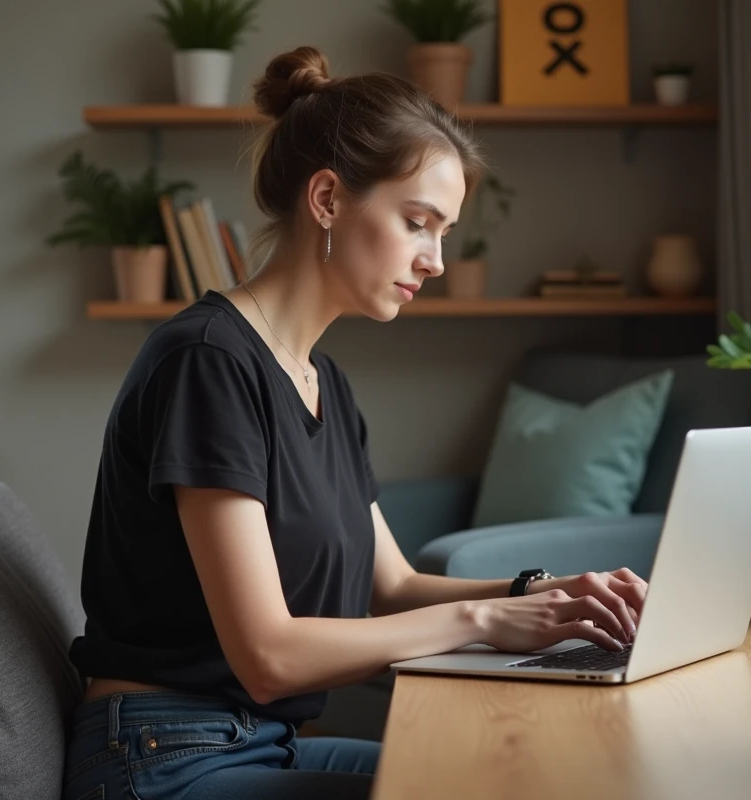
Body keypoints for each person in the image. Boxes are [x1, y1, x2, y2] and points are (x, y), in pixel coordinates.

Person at [60, 45, 649, 800]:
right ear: (329, 199)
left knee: (529, 776)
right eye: (418, 223)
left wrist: (544, 595)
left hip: (259, 744)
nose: (434, 260)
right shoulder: (207, 362)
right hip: (162, 758)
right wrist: (483, 619)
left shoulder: (323, 383)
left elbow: (393, 586)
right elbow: (267, 654)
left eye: (444, 231)